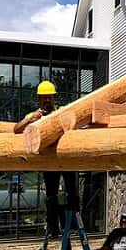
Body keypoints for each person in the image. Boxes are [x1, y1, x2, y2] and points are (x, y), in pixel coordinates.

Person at [14, 80, 79, 234]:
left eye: (50, 97)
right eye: (44, 97)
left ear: (53, 98)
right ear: (39, 99)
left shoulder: (61, 111)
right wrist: (31, 119)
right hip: (48, 162)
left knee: (72, 192)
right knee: (51, 195)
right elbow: (16, 129)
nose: (47, 100)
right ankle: (53, 228)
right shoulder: (34, 116)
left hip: (65, 158)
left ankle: (74, 225)